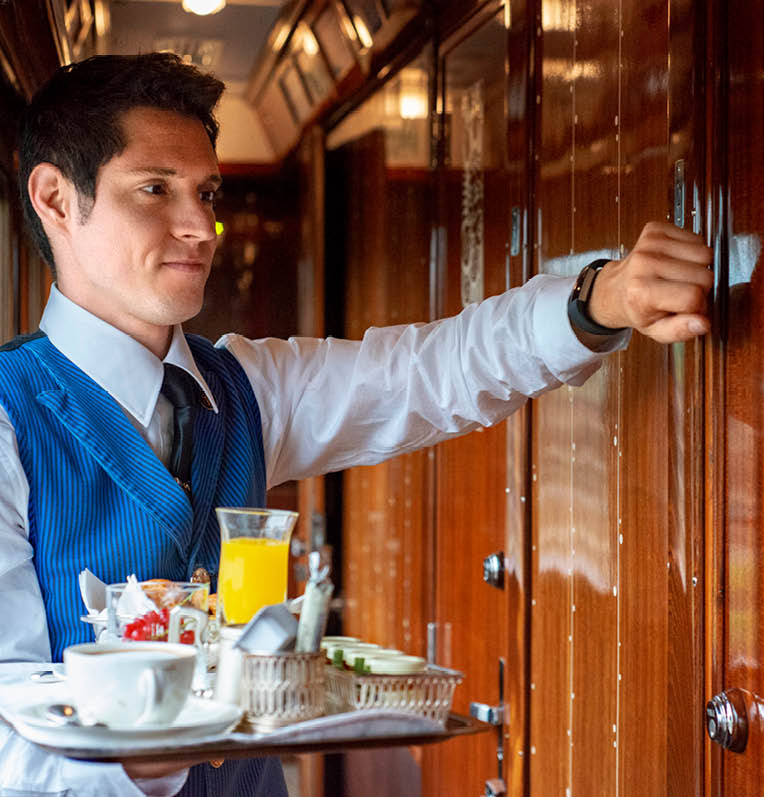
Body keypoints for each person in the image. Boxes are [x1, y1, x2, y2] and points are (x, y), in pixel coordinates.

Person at [0, 53, 712, 796]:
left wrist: (599, 303)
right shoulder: (9, 418)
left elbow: (428, 372)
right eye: (154, 189)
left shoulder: (246, 388)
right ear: (55, 199)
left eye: (205, 191)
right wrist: (158, 748)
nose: (200, 225)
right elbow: (5, 732)